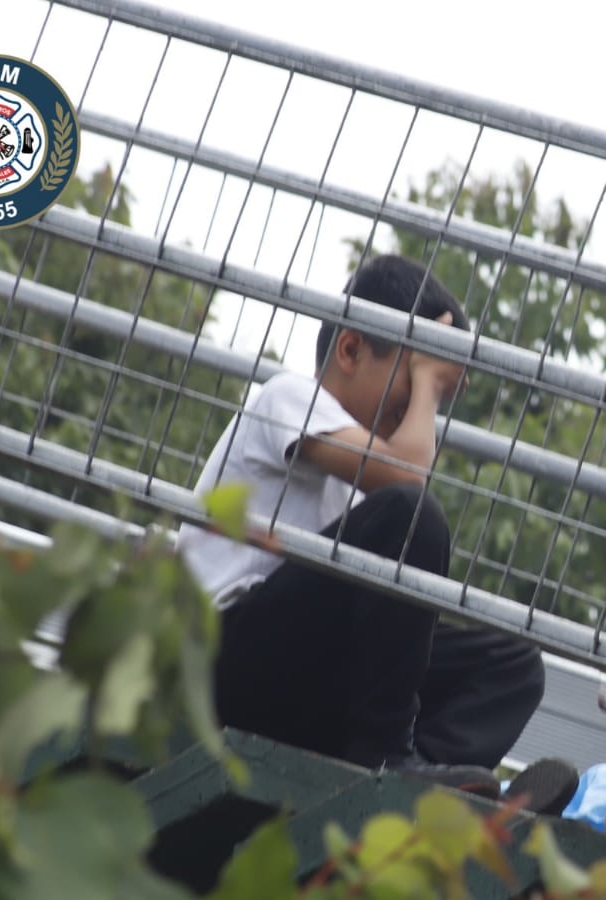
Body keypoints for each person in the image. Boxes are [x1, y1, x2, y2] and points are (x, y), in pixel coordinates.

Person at [178, 254, 555, 802]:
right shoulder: (287, 397)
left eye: (435, 398)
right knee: (410, 516)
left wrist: (421, 378)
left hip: (303, 685)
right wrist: (430, 377)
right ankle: (389, 759)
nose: (419, 412)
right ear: (351, 350)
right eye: (415, 383)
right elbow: (407, 478)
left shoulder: (362, 486)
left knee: (513, 665)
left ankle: (429, 777)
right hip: (224, 662)